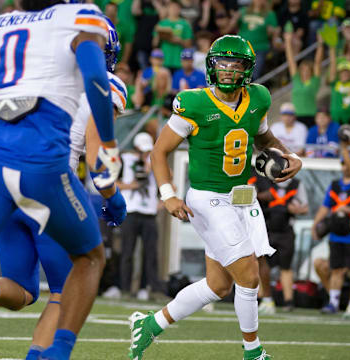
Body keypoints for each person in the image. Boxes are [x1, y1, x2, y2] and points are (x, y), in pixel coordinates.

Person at [128, 34, 302, 360]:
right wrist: (168, 195)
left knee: (218, 286)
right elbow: (159, 152)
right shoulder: (194, 102)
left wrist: (288, 154)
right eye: (222, 62)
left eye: (235, 64)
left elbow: (263, 136)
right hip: (208, 198)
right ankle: (253, 352)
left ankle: (151, 324)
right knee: (249, 277)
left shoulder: (259, 98)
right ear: (211, 65)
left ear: (247, 69)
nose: (227, 70)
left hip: (241, 197)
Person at [0, 1, 123, 359]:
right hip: (41, 174)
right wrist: (112, 193)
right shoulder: (80, 19)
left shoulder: (2, 23)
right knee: (88, 262)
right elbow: (95, 79)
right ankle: (55, 353)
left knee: (22, 289)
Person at [117, 132, 167, 301]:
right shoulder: (124, 160)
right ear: (136, 149)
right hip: (130, 211)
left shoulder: (154, 162)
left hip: (149, 214)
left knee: (151, 254)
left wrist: (153, 165)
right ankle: (125, 289)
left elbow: (169, 179)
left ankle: (150, 288)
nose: (145, 154)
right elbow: (111, 182)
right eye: (143, 151)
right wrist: (131, 185)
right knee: (127, 252)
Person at [257, 176, 308, 314]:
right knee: (262, 264)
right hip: (267, 229)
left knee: (285, 267)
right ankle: (263, 299)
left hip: (286, 231)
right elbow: (255, 197)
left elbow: (305, 208)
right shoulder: (264, 181)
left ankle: (288, 301)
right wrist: (260, 196)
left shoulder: (296, 184)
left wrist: (296, 209)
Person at [312, 154, 350, 315]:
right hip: (336, 235)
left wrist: (348, 210)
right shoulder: (335, 185)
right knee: (336, 269)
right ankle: (333, 303)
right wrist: (315, 224)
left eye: (348, 163)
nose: (345, 167)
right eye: (343, 163)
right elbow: (325, 206)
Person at [284, 28, 323, 129]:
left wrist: (320, 43)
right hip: (296, 117)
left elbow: (318, 62)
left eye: (307, 70)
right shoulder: (296, 79)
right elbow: (291, 61)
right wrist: (288, 42)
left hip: (311, 116)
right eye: (303, 69)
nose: (305, 72)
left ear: (311, 71)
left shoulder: (314, 81)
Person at [152, 0, 193, 74]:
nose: (173, 9)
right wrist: (159, 35)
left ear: (179, 9)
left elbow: (189, 45)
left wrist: (180, 41)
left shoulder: (185, 24)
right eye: (171, 7)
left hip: (179, 61)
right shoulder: (162, 23)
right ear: (167, 9)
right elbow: (154, 44)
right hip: (164, 60)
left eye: (176, 7)